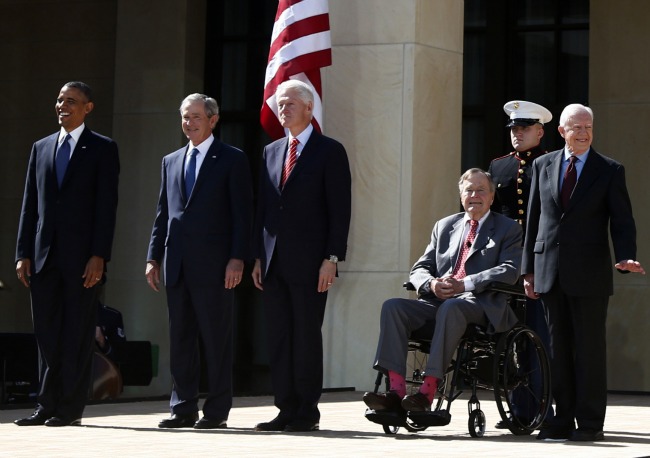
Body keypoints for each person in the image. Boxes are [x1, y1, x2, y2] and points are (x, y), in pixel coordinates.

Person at [523, 103, 645, 442]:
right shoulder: (542, 165)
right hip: (549, 272)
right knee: (557, 350)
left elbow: (622, 220)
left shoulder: (609, 169)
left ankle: (590, 423)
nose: (584, 132)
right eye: (576, 127)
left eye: (588, 126)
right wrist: (528, 270)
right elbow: (534, 221)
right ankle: (560, 420)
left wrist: (626, 256)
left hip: (590, 274)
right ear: (562, 132)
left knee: (589, 350)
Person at [363, 168, 523, 414]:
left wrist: (466, 283)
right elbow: (420, 268)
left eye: (481, 190)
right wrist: (431, 284)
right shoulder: (445, 226)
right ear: (461, 195)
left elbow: (510, 270)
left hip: (480, 304)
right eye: (469, 190)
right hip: (439, 301)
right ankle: (395, 392)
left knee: (452, 307)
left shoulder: (508, 228)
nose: (474, 195)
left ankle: (427, 393)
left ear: (492, 197)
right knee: (393, 306)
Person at [14, 81, 120, 427]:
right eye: (59, 100)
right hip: (43, 259)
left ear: (87, 108)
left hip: (83, 261)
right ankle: (46, 405)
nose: (62, 105)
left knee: (75, 334)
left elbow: (107, 208)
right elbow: (30, 206)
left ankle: (70, 408)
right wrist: (23, 252)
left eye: (71, 101)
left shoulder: (102, 148)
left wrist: (99, 255)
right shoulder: (41, 147)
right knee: (47, 334)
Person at [146, 93, 253, 429]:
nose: (189, 123)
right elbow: (163, 215)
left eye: (195, 116)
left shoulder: (232, 159)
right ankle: (183, 408)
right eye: (184, 117)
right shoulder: (171, 160)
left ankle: (217, 412)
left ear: (212, 120)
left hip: (216, 267)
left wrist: (238, 258)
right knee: (181, 340)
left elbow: (242, 215)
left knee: (215, 340)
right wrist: (153, 257)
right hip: (177, 264)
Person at [252, 80, 352, 432]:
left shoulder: (329, 151)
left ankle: (306, 411)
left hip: (312, 263)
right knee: (279, 337)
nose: (283, 109)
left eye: (290, 103)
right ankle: (284, 408)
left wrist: (332, 258)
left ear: (309, 108)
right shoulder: (272, 151)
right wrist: (257, 257)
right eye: (280, 104)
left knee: (305, 336)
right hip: (274, 261)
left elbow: (340, 210)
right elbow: (264, 208)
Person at [487, 100, 553, 428]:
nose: (518, 134)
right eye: (514, 129)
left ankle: (542, 408)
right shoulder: (498, 167)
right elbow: (494, 216)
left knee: (539, 333)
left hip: (541, 260)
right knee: (510, 334)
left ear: (540, 132)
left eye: (524, 129)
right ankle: (518, 408)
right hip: (509, 260)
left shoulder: (551, 163)